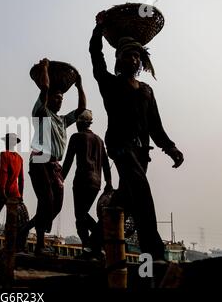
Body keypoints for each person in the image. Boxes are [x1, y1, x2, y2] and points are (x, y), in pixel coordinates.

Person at [89, 13, 184, 260]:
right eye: (128, 54)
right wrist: (98, 30)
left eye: (136, 55)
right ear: (119, 59)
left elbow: (155, 126)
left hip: (142, 152)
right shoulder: (109, 84)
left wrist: (170, 147)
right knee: (141, 190)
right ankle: (154, 253)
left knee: (126, 200)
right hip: (120, 146)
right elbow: (95, 57)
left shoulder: (147, 91)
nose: (133, 58)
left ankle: (93, 243)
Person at [20, 58, 86, 256]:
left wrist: (80, 86)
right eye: (55, 98)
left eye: (61, 98)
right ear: (48, 99)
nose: (59, 100)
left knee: (55, 204)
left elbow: (82, 109)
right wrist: (46, 69)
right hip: (39, 159)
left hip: (54, 165)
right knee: (47, 200)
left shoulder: (63, 120)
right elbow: (45, 88)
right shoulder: (41, 112)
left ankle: (26, 228)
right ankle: (40, 244)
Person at [62, 109, 112, 258]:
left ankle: (90, 246)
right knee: (83, 215)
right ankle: (95, 247)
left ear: (79, 123)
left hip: (82, 182)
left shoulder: (76, 137)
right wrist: (108, 183)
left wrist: (60, 179)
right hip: (96, 184)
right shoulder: (99, 140)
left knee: (80, 217)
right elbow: (105, 163)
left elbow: (68, 161)